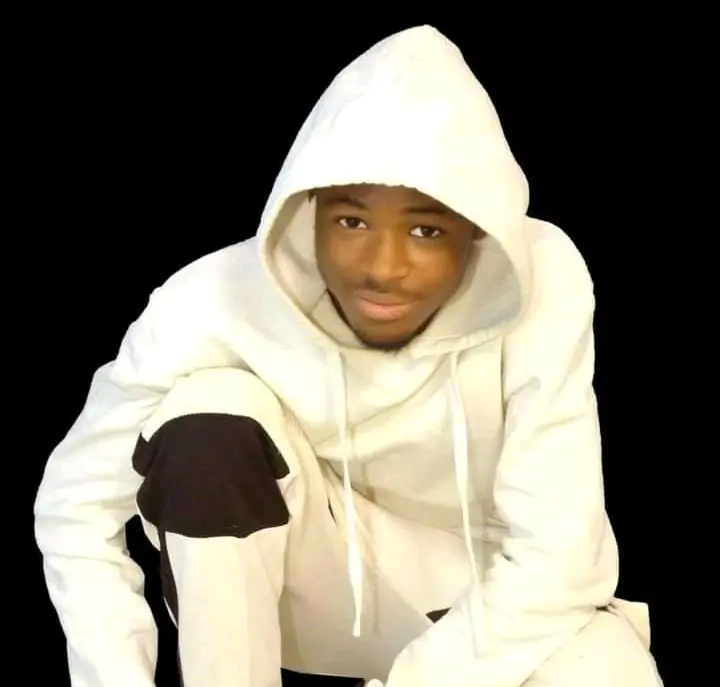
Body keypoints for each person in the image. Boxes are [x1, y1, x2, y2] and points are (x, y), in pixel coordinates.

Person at [34, 25, 663, 687]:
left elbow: (558, 552)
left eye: (426, 229)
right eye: (351, 221)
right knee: (209, 414)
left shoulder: (542, 279)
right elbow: (77, 504)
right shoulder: (212, 299)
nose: (382, 267)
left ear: (479, 232)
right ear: (308, 211)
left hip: (481, 593)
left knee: (613, 674)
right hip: (305, 587)